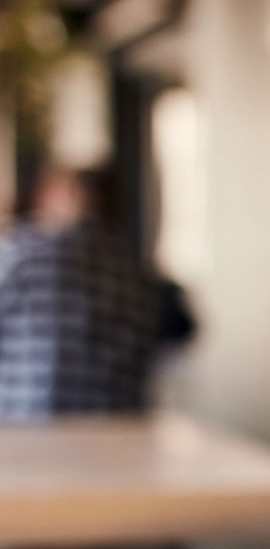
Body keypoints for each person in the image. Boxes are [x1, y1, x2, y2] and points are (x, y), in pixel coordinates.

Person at [0, 166, 169, 420]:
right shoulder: (139, 272)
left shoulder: (22, 254)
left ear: (69, 196)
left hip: (25, 426)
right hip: (118, 431)